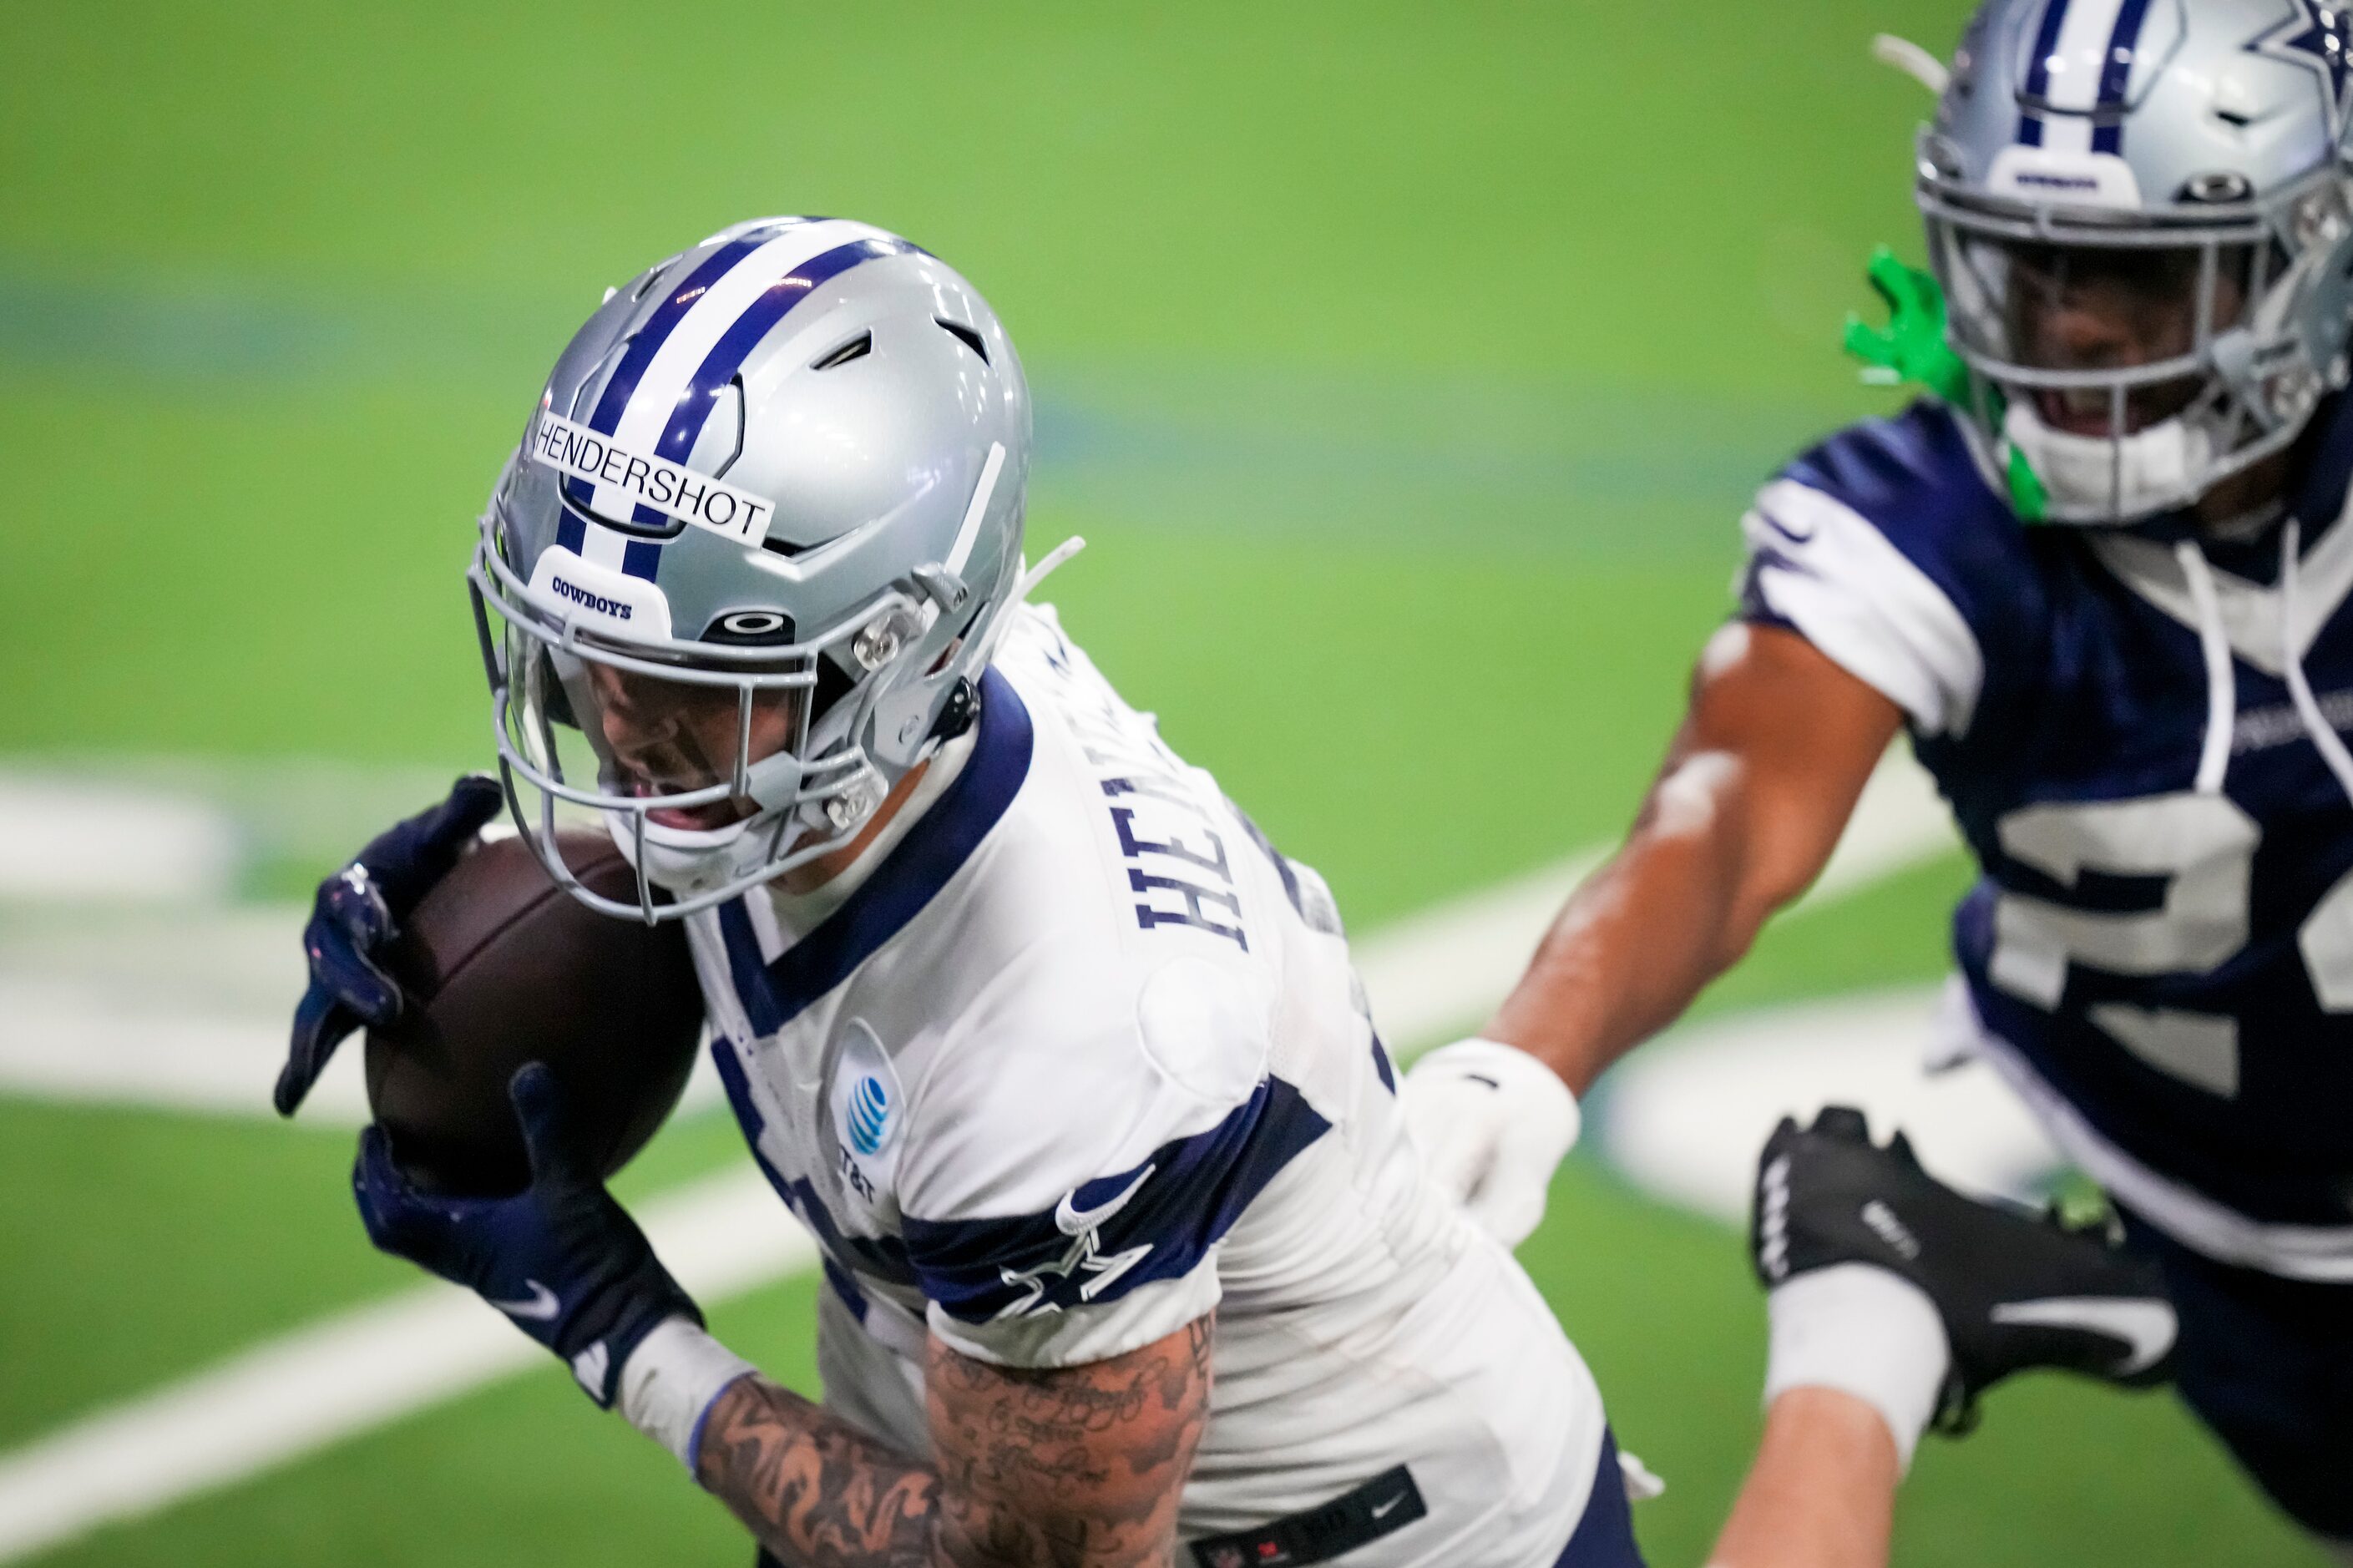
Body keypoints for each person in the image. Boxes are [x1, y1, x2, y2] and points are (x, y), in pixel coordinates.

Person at [278, 218, 2173, 1568]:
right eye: (585, 654)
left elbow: (1032, 1566)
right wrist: (530, 909)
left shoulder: (1066, 1042)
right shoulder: (841, 724)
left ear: (891, 657)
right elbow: (712, 795)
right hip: (1006, 1410)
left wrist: (626, 1336)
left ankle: (1858, 1315)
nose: (613, 723)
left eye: (688, 682)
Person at [1399, 0, 2353, 1553]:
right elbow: (1721, 821)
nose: (2076, 327)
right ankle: (1923, 1283)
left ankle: (1940, 1275)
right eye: (2031, 263)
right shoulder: (1922, 520)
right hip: (2198, 1199)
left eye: (2137, 269)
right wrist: (1528, 1054)